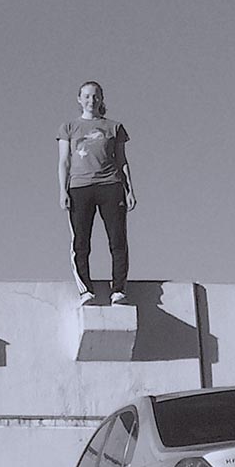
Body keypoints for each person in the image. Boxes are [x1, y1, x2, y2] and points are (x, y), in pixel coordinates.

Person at [57, 81, 135, 305]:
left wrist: (129, 189)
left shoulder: (114, 127)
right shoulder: (69, 127)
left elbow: (122, 160)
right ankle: (85, 290)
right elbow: (64, 161)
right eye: (87, 96)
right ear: (79, 99)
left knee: (118, 239)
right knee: (81, 241)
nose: (92, 100)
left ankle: (119, 289)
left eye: (96, 96)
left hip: (111, 185)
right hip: (79, 188)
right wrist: (63, 190)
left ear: (101, 99)